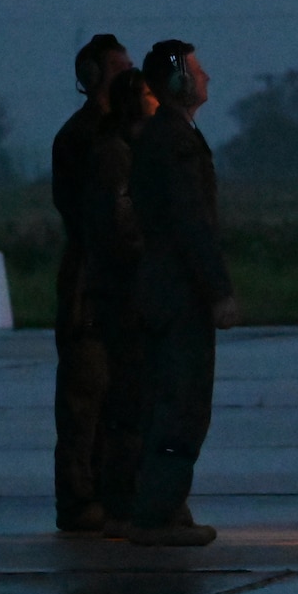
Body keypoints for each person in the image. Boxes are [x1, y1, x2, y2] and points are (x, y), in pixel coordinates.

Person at [121, 39, 240, 547]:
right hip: (178, 293)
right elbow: (192, 224)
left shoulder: (166, 137)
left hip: (162, 289)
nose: (207, 76)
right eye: (197, 70)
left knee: (168, 400)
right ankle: (156, 515)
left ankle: (165, 505)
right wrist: (219, 292)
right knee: (182, 404)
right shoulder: (175, 142)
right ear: (177, 83)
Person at [50, 33, 132, 532]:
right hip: (89, 279)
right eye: (119, 67)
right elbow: (87, 215)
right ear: (93, 77)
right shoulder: (84, 137)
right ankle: (79, 501)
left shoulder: (119, 133)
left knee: (116, 398)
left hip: (114, 279)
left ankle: (107, 493)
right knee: (85, 398)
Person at [80, 68, 156, 528]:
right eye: (148, 95)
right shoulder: (116, 156)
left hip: (126, 288)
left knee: (135, 398)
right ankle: (122, 502)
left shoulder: (125, 152)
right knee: (129, 399)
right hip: (123, 293)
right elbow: (123, 223)